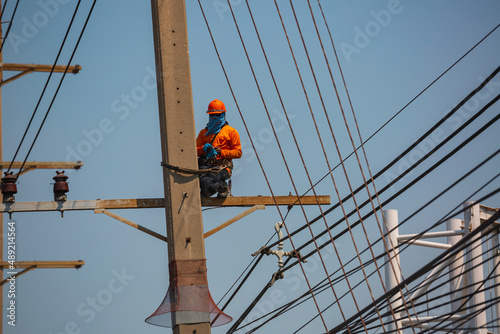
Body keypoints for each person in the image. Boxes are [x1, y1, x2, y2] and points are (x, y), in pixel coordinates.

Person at [196, 99, 242, 198]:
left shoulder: (231, 132)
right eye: (212, 115)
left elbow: (238, 153)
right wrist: (203, 149)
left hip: (222, 168)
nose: (215, 117)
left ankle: (221, 186)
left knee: (211, 185)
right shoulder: (203, 133)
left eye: (218, 115)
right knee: (190, 180)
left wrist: (221, 152)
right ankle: (207, 190)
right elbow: (193, 152)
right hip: (205, 166)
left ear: (223, 115)